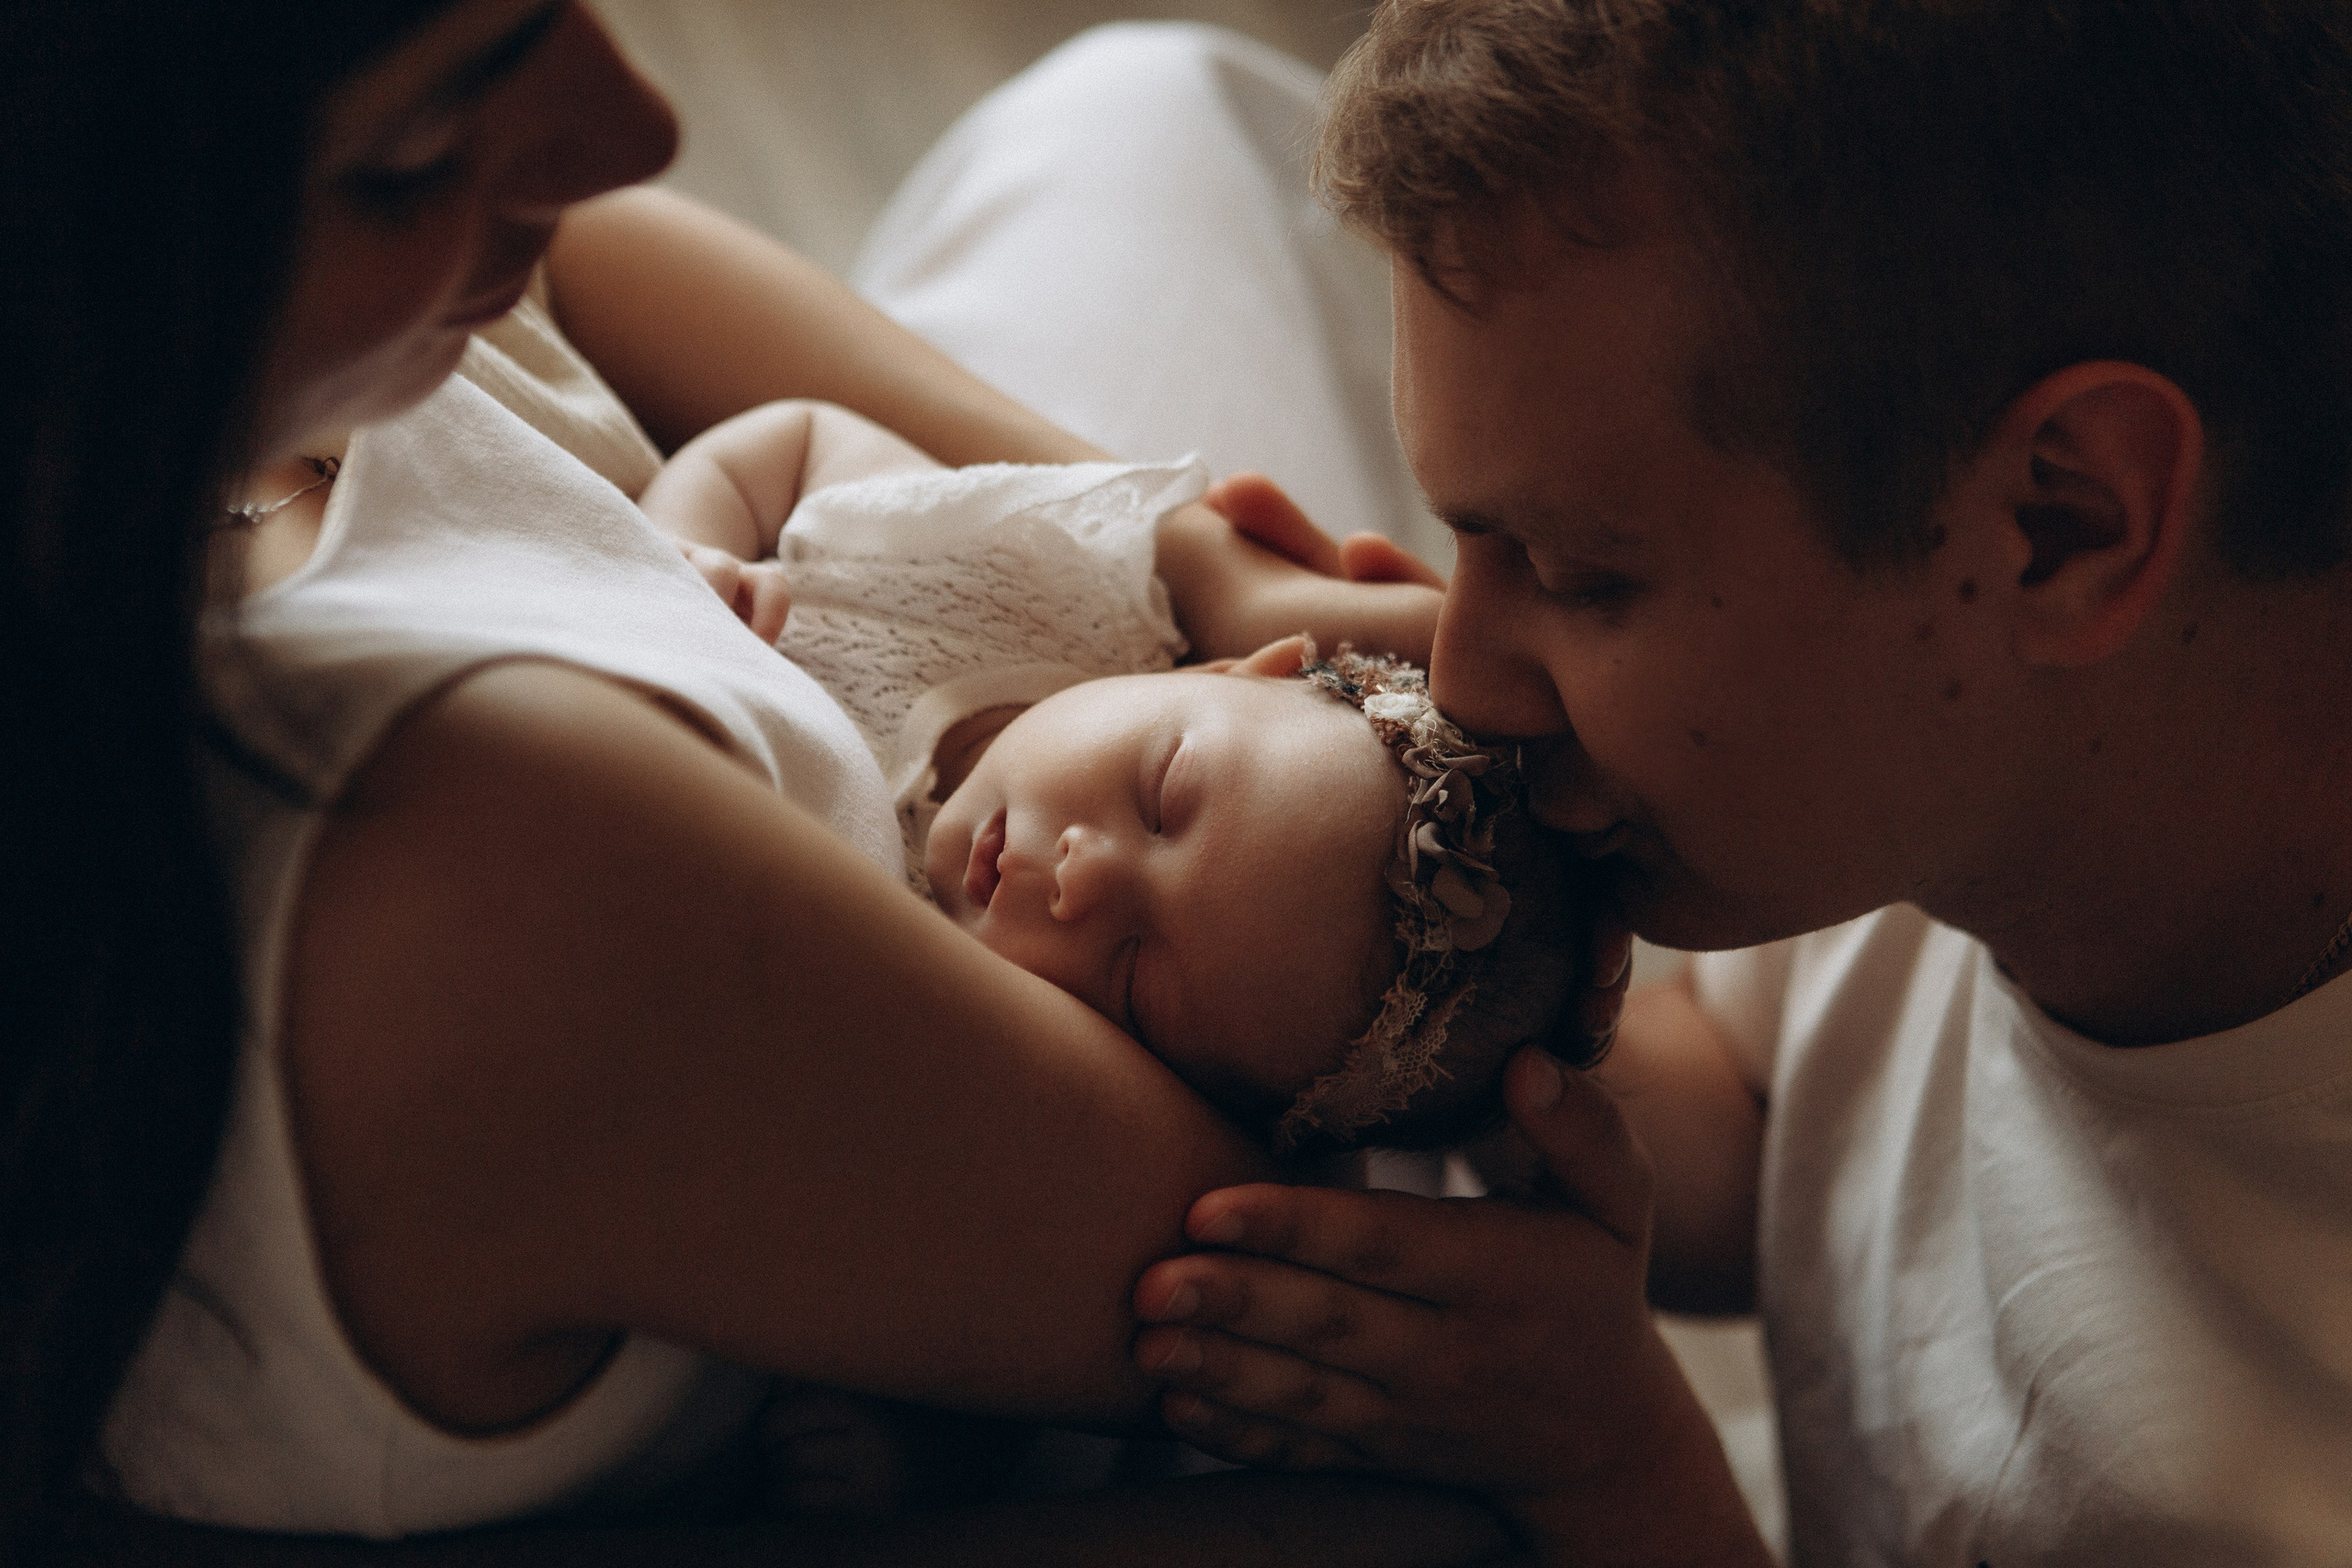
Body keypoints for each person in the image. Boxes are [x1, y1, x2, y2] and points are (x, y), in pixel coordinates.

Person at [5, 2, 1629, 1563]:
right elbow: (1396, 1339)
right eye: (423, 138)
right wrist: (1623, 1450)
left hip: (1147, 713)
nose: (636, 125)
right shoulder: (468, 856)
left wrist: (1194, 562)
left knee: (1143, 100)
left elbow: (600, 262)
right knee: (1180, 118)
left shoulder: (268, 348)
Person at [1098, 2, 2352, 1564]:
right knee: (1142, 107)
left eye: (1577, 570)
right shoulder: (1998, 736)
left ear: (2062, 524)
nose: (1461, 679)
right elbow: (1774, 1116)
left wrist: (1612, 1464)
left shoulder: (2264, 1476)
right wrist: (1385, 945)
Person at [633, 397, 1583, 1144]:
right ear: (1230, 669)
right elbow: (794, 443)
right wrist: (680, 551)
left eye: (1131, 981)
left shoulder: (897, 967)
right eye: (1162, 795)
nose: (1080, 875)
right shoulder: (1034, 585)